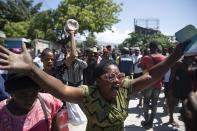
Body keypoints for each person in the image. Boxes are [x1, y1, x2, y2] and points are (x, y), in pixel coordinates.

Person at [0, 41, 184, 131]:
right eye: (110, 76)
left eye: (119, 75)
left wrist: (174, 56)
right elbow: (61, 89)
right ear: (97, 80)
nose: (117, 80)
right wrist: (32, 69)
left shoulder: (125, 88)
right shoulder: (88, 93)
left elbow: (151, 75)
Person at [140, 41, 166, 129]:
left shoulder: (146, 57)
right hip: (158, 84)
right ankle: (151, 123)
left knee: (146, 102)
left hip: (148, 84)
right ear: (157, 47)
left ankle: (146, 121)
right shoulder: (163, 57)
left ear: (149, 47)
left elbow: (142, 68)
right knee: (155, 104)